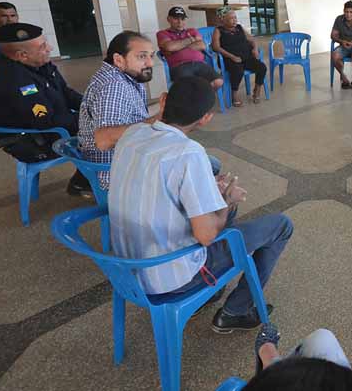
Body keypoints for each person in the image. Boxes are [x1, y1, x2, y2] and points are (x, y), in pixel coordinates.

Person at [109, 77, 294, 333]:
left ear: (163, 100)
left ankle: (208, 295)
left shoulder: (133, 133)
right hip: (169, 278)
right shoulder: (188, 151)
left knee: (218, 201)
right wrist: (226, 200)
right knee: (281, 226)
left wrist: (212, 193)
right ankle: (235, 311)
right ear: (206, 118)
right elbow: (205, 236)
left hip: (126, 270)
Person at [0, 23, 90, 196]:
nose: (50, 48)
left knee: (102, 124)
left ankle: (85, 179)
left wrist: (92, 105)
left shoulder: (40, 64)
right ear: (22, 55)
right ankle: (84, 183)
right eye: (42, 47)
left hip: (48, 126)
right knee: (104, 133)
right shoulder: (17, 80)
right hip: (32, 141)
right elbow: (47, 121)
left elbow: (66, 93)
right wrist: (92, 119)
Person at [78, 31, 157, 189]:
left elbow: (135, 115)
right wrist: (159, 119)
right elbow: (104, 140)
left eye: (152, 55)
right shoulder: (113, 86)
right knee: (202, 166)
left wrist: (165, 108)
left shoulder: (125, 76)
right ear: (119, 59)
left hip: (126, 157)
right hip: (115, 171)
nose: (150, 63)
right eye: (142, 56)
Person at [156, 6, 223, 90]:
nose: (180, 22)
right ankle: (200, 99)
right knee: (190, 87)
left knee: (218, 81)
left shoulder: (192, 30)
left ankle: (201, 98)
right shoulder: (162, 33)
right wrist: (190, 40)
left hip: (200, 64)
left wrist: (178, 47)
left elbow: (202, 45)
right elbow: (170, 47)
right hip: (179, 66)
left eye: (183, 19)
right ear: (169, 19)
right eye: (176, 19)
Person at [212, 6, 267, 106]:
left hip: (246, 57)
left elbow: (252, 39)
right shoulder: (218, 31)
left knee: (262, 67)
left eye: (235, 18)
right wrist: (232, 56)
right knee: (238, 71)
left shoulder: (239, 27)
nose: (234, 20)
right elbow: (216, 47)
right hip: (229, 60)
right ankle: (234, 95)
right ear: (223, 20)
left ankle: (257, 89)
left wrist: (255, 49)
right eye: (231, 18)